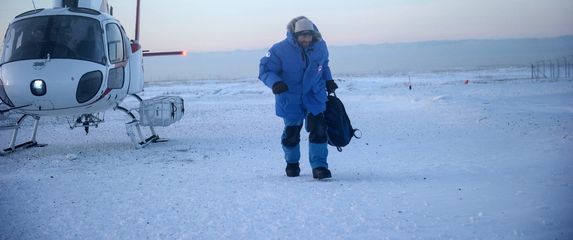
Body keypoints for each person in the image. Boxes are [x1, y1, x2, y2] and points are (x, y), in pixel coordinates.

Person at [259, 16, 338, 179]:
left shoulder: (321, 47)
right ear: (295, 35)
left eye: (309, 35)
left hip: (314, 96)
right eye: (302, 35)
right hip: (290, 97)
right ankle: (292, 164)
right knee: (292, 133)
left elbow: (324, 66)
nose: (306, 39)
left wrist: (329, 80)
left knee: (319, 130)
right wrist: (276, 83)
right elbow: (265, 70)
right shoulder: (278, 49)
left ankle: (319, 167)